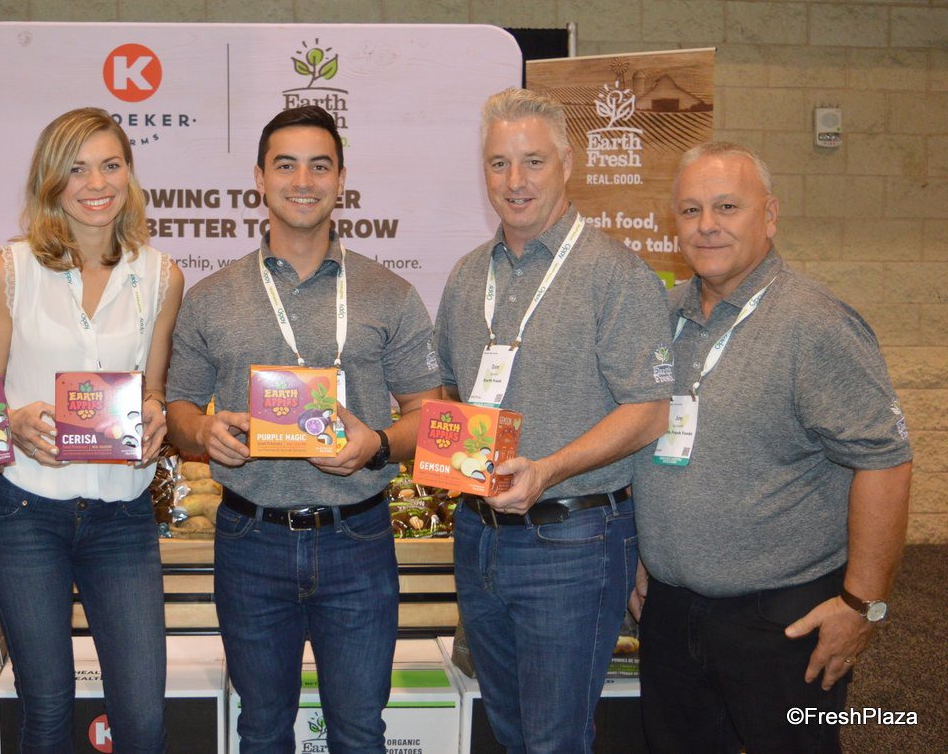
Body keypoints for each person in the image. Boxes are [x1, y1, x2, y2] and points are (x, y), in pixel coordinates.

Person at [166, 105, 442, 753]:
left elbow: (430, 417)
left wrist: (377, 443)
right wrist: (204, 432)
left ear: (341, 179)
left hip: (358, 539)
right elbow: (178, 407)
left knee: (359, 732)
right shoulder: (210, 296)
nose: (302, 181)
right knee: (262, 731)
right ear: (259, 179)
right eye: (285, 165)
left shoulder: (391, 293)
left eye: (320, 166)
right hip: (250, 539)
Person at [630, 141, 913, 754]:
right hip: (670, 610)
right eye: (690, 210)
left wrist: (863, 605)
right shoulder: (662, 318)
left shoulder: (817, 324)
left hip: (783, 620)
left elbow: (886, 463)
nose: (706, 225)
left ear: (771, 216)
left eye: (727, 206)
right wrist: (644, 555)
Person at [435, 87, 674, 752]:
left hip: (573, 539)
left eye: (533, 161)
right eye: (499, 163)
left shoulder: (615, 275)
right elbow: (453, 391)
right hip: (478, 536)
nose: (515, 181)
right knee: (511, 732)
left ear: (567, 165)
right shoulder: (466, 277)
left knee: (553, 740)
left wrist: (547, 468)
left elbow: (650, 411)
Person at [0, 107, 181, 754]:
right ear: (50, 180)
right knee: (46, 708)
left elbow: (153, 389)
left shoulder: (161, 275)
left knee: (142, 718)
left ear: (129, 174)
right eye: (77, 168)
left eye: (110, 165)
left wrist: (156, 414)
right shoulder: (7, 270)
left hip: (122, 518)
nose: (96, 183)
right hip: (25, 514)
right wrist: (10, 421)